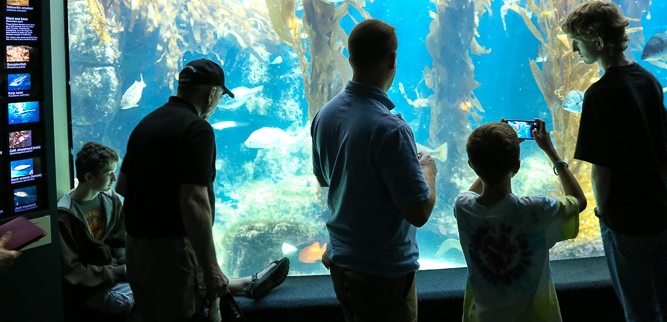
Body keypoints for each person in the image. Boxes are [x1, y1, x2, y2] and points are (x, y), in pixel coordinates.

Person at [117, 58, 289, 321]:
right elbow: (193, 201)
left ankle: (244, 283)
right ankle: (243, 284)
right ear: (211, 94)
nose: (217, 103)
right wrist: (211, 269)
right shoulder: (197, 129)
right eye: (219, 96)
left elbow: (123, 186)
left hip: (137, 251)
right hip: (173, 252)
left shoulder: (146, 124)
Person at [563, 1, 667, 321]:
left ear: (597, 41)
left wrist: (604, 211)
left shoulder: (599, 94)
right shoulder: (648, 80)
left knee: (639, 310)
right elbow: (661, 148)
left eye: (577, 41)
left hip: (627, 219)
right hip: (661, 209)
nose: (574, 49)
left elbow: (600, 171)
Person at [311, 18, 437, 322]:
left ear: (350, 58)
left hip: (342, 264)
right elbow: (418, 212)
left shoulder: (325, 115)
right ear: (392, 59)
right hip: (384, 274)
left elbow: (326, 179)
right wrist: (428, 171)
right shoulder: (391, 129)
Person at [454, 120, 586, 321]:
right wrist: (551, 151)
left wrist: (489, 158)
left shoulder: (462, 207)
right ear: (516, 166)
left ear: (471, 165)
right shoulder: (536, 210)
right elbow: (578, 201)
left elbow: (474, 191)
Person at [58, 141, 134, 317]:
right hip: (87, 288)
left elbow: (119, 242)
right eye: (109, 174)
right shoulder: (65, 216)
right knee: (132, 300)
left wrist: (127, 263)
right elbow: (72, 272)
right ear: (89, 177)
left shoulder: (111, 200)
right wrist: (119, 273)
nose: (114, 179)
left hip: (112, 274)